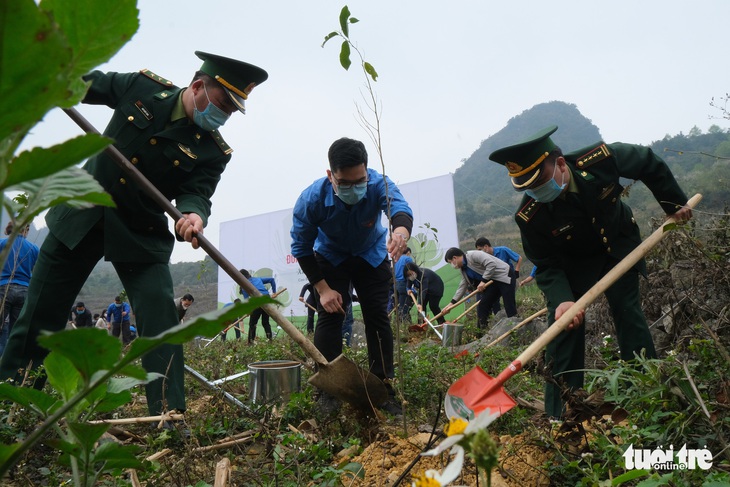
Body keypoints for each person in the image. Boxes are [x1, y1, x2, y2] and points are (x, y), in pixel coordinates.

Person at [0, 51, 268, 417]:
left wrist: (193, 214)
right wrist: (48, 79)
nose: (224, 115)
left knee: (162, 323)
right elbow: (87, 85)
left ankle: (168, 416)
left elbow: (198, 191)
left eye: (233, 111)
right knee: (39, 316)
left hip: (139, 230)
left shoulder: (214, 150)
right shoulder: (143, 88)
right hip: (79, 214)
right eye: (223, 103)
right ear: (197, 86)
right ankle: (12, 407)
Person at [489, 125, 692, 418]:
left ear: (560, 164)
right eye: (528, 187)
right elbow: (546, 264)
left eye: (541, 181)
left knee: (627, 310)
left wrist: (673, 203)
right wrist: (562, 300)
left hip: (618, 245)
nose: (536, 191)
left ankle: (647, 391)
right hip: (572, 265)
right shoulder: (529, 216)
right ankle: (563, 412)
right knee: (564, 326)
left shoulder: (599, 161)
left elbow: (647, 161)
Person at [290, 137, 413, 416]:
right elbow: (301, 247)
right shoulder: (311, 199)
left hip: (370, 255)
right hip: (331, 257)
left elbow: (401, 210)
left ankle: (382, 384)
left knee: (376, 316)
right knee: (331, 315)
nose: (354, 188)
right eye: (345, 183)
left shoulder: (378, 182)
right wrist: (322, 289)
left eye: (360, 181)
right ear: (330, 175)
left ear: (366, 171)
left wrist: (400, 233)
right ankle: (328, 389)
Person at [441, 248, 516, 329]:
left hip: (505, 276)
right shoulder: (463, 269)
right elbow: (463, 286)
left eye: (450, 262)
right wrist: (452, 303)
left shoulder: (474, 255)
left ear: (455, 258)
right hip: (493, 282)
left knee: (509, 303)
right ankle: (482, 331)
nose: (452, 265)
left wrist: (483, 281)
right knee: (483, 305)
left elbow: (491, 264)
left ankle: (515, 326)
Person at [0, 222, 39, 355]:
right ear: (26, 230)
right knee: (15, 330)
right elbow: (37, 271)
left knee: (0, 326)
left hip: (4, 288)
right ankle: (10, 362)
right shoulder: (34, 248)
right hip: (24, 290)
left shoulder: (2, 244)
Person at [475, 237, 522, 315]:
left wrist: (516, 271)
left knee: (508, 300)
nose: (479, 252)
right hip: (495, 281)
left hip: (508, 278)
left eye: (480, 250)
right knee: (493, 301)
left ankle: (513, 317)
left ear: (486, 247)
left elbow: (519, 258)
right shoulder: (484, 259)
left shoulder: (503, 250)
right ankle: (498, 316)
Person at [239, 269, 276, 344]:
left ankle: (250, 342)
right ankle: (270, 340)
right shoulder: (257, 279)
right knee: (265, 322)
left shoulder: (244, 286)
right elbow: (272, 280)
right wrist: (274, 292)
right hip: (266, 299)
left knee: (252, 323)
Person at [394, 247, 414, 323]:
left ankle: (405, 323)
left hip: (396, 285)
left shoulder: (397, 259)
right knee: (404, 307)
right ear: (408, 252)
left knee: (400, 306)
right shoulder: (407, 259)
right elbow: (412, 272)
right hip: (403, 284)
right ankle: (404, 325)